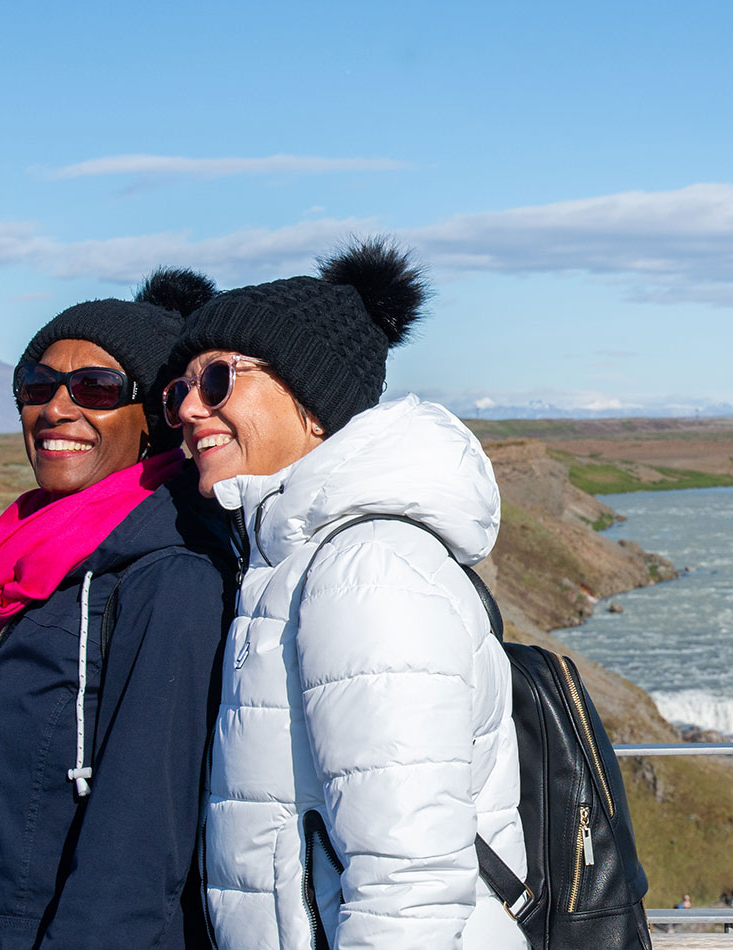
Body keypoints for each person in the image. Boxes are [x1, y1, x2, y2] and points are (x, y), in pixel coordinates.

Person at [181, 241, 527, 949]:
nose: (188, 408)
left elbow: (412, 887)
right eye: (178, 389)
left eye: (217, 379)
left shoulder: (367, 570)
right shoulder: (291, 561)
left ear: (313, 401)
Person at [0, 273, 237, 949]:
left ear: (155, 418)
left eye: (96, 388)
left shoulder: (169, 578)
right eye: (37, 386)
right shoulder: (18, 570)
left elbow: (137, 864)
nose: (56, 408)